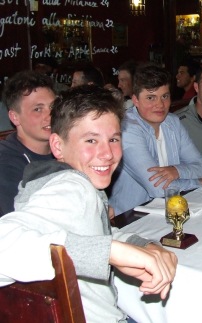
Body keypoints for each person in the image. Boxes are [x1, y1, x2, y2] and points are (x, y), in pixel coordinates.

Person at [0, 85, 178, 323]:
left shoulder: (71, 181)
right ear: (57, 146)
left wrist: (143, 245)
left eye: (113, 139)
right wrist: (110, 253)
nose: (107, 153)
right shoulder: (71, 187)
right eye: (91, 140)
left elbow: (92, 233)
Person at [109, 64, 202, 215]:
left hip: (169, 209)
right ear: (135, 100)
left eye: (165, 96)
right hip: (130, 218)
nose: (160, 105)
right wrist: (197, 182)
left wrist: (176, 171)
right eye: (151, 98)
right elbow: (158, 188)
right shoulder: (127, 129)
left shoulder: (173, 122)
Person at [0, 70, 55, 216]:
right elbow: (23, 224)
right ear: (14, 117)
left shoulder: (66, 149)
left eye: (52, 107)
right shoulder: (5, 163)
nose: (49, 116)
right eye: (38, 109)